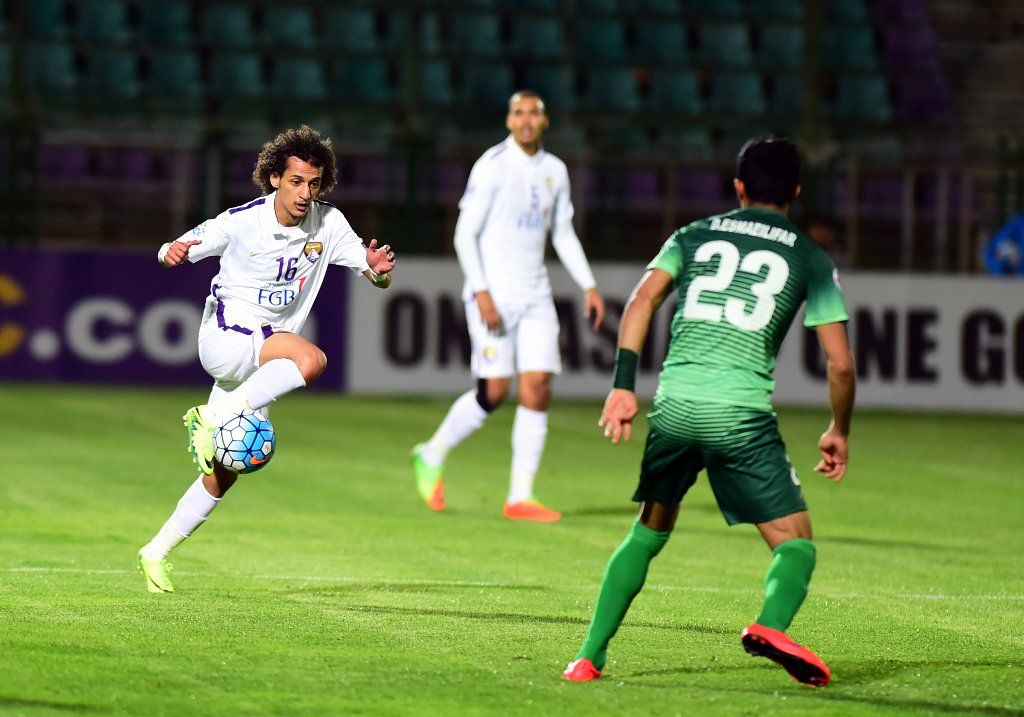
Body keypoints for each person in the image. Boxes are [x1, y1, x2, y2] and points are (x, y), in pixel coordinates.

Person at [562, 137, 855, 686]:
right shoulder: (811, 256)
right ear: (796, 190)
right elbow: (839, 366)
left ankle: (587, 657)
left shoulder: (693, 234)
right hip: (739, 416)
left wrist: (624, 386)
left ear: (739, 188)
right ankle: (770, 625)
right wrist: (838, 428)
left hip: (673, 406)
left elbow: (642, 299)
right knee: (796, 544)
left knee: (648, 533)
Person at [136, 125, 396, 593]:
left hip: (261, 356)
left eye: (313, 183)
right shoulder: (242, 221)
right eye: (296, 181)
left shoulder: (328, 224)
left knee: (228, 470)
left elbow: (369, 269)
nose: (304, 192)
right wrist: (170, 251)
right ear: (275, 177)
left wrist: (377, 272)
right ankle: (215, 420)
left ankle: (156, 551)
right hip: (226, 338)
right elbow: (175, 246)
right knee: (311, 360)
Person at [411, 90, 605, 522]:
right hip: (494, 293)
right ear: (509, 120)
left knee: (537, 387)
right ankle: (432, 452)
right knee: (494, 392)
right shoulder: (493, 165)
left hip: (536, 294)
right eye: (519, 112)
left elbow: (563, 232)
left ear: (546, 121)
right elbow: (464, 234)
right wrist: (480, 290)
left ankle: (520, 496)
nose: (527, 119)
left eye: (535, 112)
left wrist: (588, 284)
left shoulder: (555, 170)